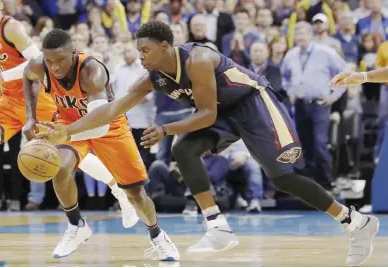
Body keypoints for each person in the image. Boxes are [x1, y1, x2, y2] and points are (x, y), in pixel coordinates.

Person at [37, 21, 379, 266]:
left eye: (145, 50)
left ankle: (356, 223)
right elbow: (113, 107)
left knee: (283, 179)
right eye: (138, 50)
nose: (140, 56)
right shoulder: (153, 76)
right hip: (222, 114)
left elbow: (204, 114)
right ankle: (217, 226)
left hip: (253, 104)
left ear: (165, 47)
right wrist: (66, 133)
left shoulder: (197, 60)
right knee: (183, 150)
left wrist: (167, 127)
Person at [0, 0, 138, 250]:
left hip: (37, 99)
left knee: (68, 152)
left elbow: (36, 63)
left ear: (1, 7)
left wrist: (0, 76)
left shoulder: (12, 28)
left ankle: (119, 191)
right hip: (8, 100)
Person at [23, 29, 179, 261]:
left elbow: (99, 126)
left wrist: (64, 135)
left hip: (109, 126)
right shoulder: (40, 65)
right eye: (50, 61)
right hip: (68, 121)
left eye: (61, 60)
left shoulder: (91, 71)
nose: (55, 67)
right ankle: (77, 226)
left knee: (136, 194)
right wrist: (31, 116)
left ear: (73, 52)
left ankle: (157, 236)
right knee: (60, 168)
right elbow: (27, 75)